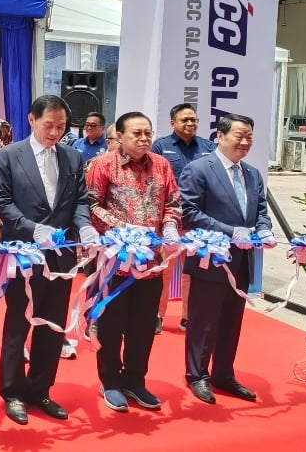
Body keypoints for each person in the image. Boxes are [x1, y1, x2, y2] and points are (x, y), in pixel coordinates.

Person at [0, 95, 98, 426]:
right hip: (24, 253)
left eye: (61, 126)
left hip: (61, 256)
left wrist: (85, 227)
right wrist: (32, 228)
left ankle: (40, 389)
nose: (54, 132)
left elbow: (80, 201)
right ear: (31, 120)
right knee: (18, 323)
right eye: (48, 125)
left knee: (52, 325)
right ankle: (12, 392)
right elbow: (2, 201)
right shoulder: (9, 155)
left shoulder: (72, 156)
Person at [85, 111, 181, 413]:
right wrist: (122, 228)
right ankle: (110, 381)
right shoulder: (103, 164)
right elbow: (91, 205)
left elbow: (173, 202)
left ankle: (135, 380)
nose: (143, 138)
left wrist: (170, 226)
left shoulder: (162, 165)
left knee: (143, 325)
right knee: (112, 324)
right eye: (136, 133)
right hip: (116, 261)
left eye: (147, 133)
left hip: (151, 263)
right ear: (120, 135)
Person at [178, 113, 275, 405]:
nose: (245, 142)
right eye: (239, 136)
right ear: (220, 136)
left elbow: (260, 211)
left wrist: (264, 229)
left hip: (242, 261)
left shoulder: (253, 174)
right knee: (203, 321)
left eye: (249, 137)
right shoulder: (199, 169)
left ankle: (223, 374)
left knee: (231, 323)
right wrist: (231, 231)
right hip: (211, 259)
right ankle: (197, 375)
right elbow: (189, 213)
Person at [151, 103, 216, 334]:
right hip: (170, 220)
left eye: (193, 120)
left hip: (197, 221)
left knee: (192, 272)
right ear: (173, 123)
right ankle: (157, 315)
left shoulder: (209, 147)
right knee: (164, 269)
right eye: (184, 120)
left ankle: (189, 317)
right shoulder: (161, 146)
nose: (190, 123)